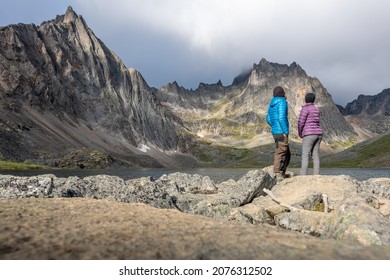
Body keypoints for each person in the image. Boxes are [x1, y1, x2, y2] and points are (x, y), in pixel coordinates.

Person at [266, 86, 291, 179]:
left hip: (275, 132)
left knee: (287, 153)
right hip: (281, 131)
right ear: (282, 93)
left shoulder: (271, 103)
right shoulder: (282, 102)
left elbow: (268, 118)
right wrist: (285, 131)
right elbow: (281, 117)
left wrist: (274, 126)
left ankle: (282, 172)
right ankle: (277, 173)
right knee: (281, 152)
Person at [298, 92, 323, 175]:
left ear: (306, 100)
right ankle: (316, 174)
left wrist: (300, 133)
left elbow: (301, 122)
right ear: (313, 100)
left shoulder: (305, 109)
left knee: (305, 155)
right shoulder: (316, 109)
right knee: (315, 154)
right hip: (319, 133)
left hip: (309, 134)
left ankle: (303, 175)